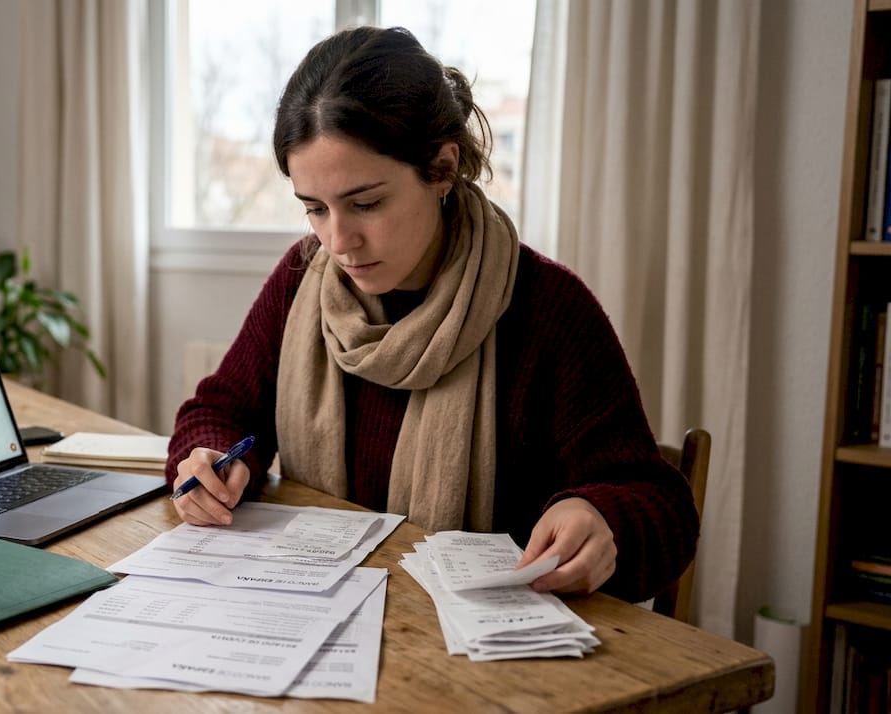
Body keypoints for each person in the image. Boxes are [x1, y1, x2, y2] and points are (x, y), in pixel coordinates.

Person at [166, 26, 698, 604]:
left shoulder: (547, 308)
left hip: (480, 655)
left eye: (366, 203)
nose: (339, 240)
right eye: (315, 208)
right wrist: (209, 456)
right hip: (315, 620)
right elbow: (219, 408)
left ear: (442, 168)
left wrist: (599, 515)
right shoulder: (303, 282)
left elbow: (660, 504)